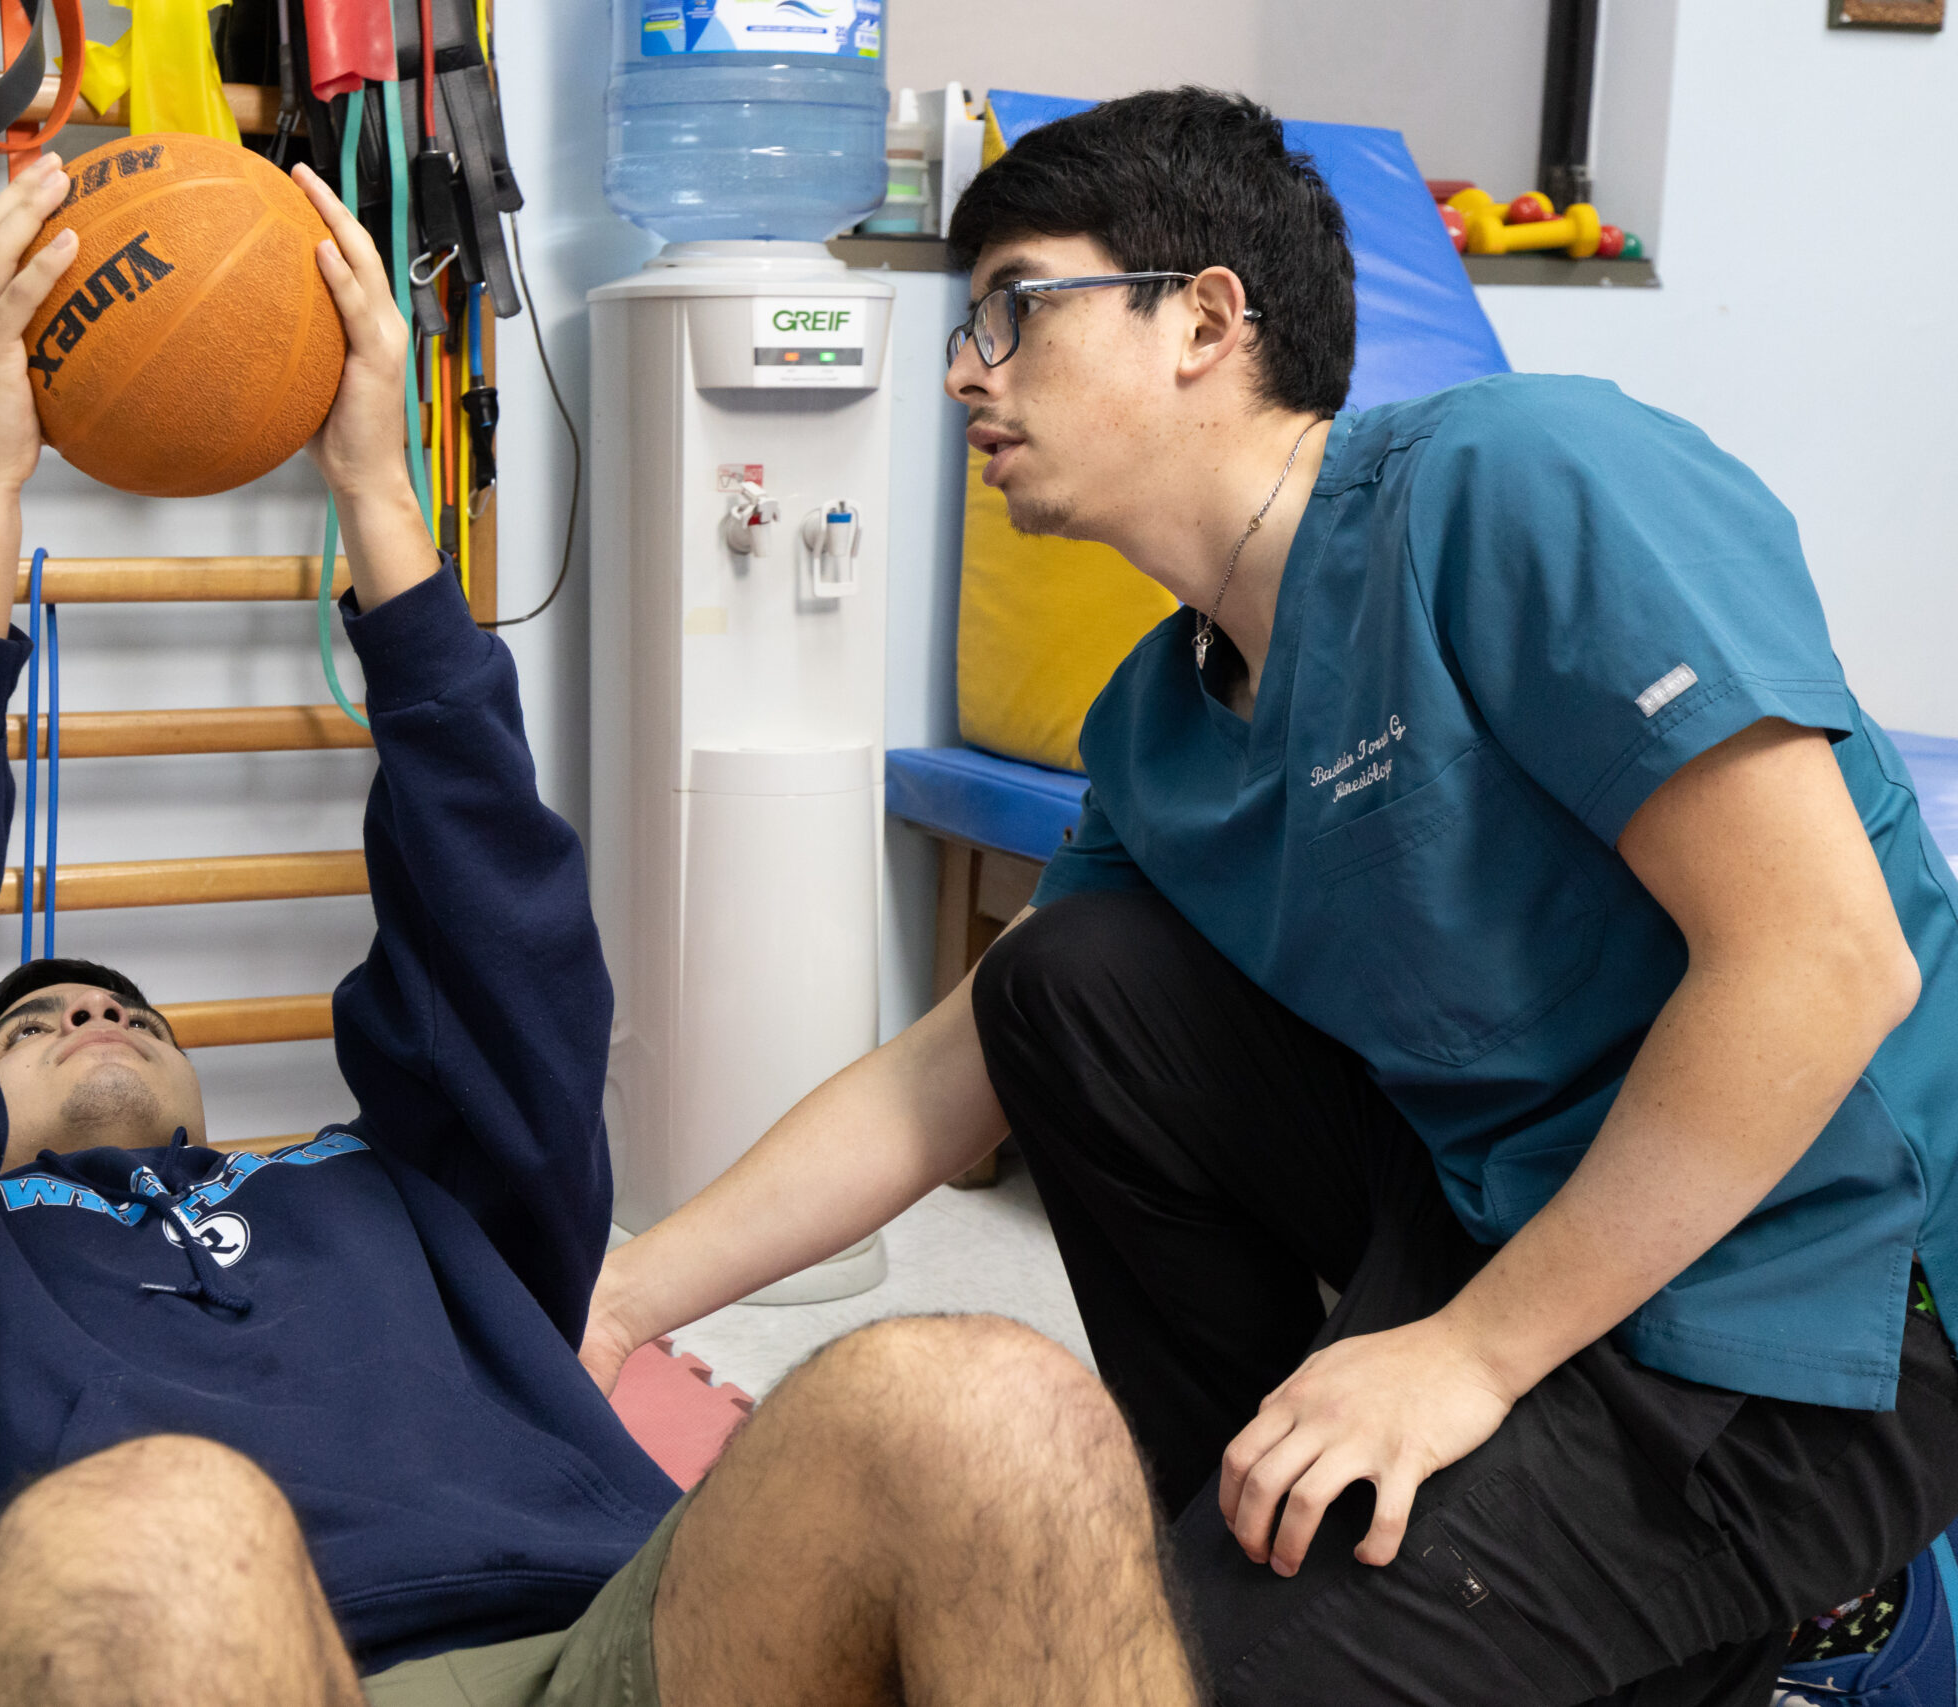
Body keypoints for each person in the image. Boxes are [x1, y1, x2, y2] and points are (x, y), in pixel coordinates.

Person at [0, 155, 1201, 1707]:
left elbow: (504, 947)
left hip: (606, 1646)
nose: (92, 1015)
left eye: (128, 1011)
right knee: (166, 1531)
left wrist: (379, 494)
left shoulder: (393, 1192)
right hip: (215, 1662)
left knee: (991, 1400)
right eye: (29, 1024)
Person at [583, 88, 1958, 1706]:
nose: (965, 371)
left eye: (1014, 309)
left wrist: (1468, 1359)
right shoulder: (1161, 719)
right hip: (1505, 1220)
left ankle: (1823, 1604)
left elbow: (1826, 958)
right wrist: (620, 1297)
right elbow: (941, 1077)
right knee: (1063, 985)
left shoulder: (1523, 478)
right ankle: (1280, 1521)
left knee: (1194, 1684)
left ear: (1204, 320)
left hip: (1814, 1287)